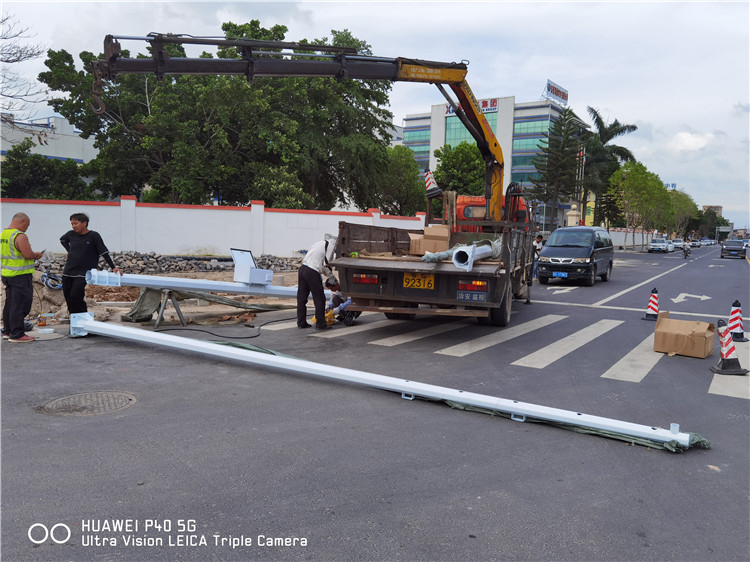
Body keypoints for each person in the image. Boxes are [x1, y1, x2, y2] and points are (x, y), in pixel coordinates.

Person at [60, 213, 120, 314]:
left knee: (76, 296)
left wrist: (113, 267)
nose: (73, 226)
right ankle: (74, 325)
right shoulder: (71, 234)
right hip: (68, 272)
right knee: (69, 298)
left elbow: (104, 252)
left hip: (84, 272)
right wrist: (69, 251)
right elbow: (62, 240)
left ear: (84, 223)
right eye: (72, 224)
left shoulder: (93, 236)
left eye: (76, 223)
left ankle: (84, 322)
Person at [1, 212, 44, 342]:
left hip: (7, 275)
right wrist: (37, 255)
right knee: (20, 305)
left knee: (10, 304)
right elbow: (28, 254)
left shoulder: (3, 235)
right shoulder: (20, 236)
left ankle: (8, 331)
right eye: (27, 225)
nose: (27, 228)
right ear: (22, 221)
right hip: (20, 276)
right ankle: (18, 334)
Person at [297, 237, 336, 330]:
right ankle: (321, 324)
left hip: (303, 269)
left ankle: (301, 322)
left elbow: (322, 265)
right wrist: (332, 277)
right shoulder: (330, 247)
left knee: (301, 298)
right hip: (312, 271)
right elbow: (326, 266)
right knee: (320, 298)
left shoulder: (319, 244)